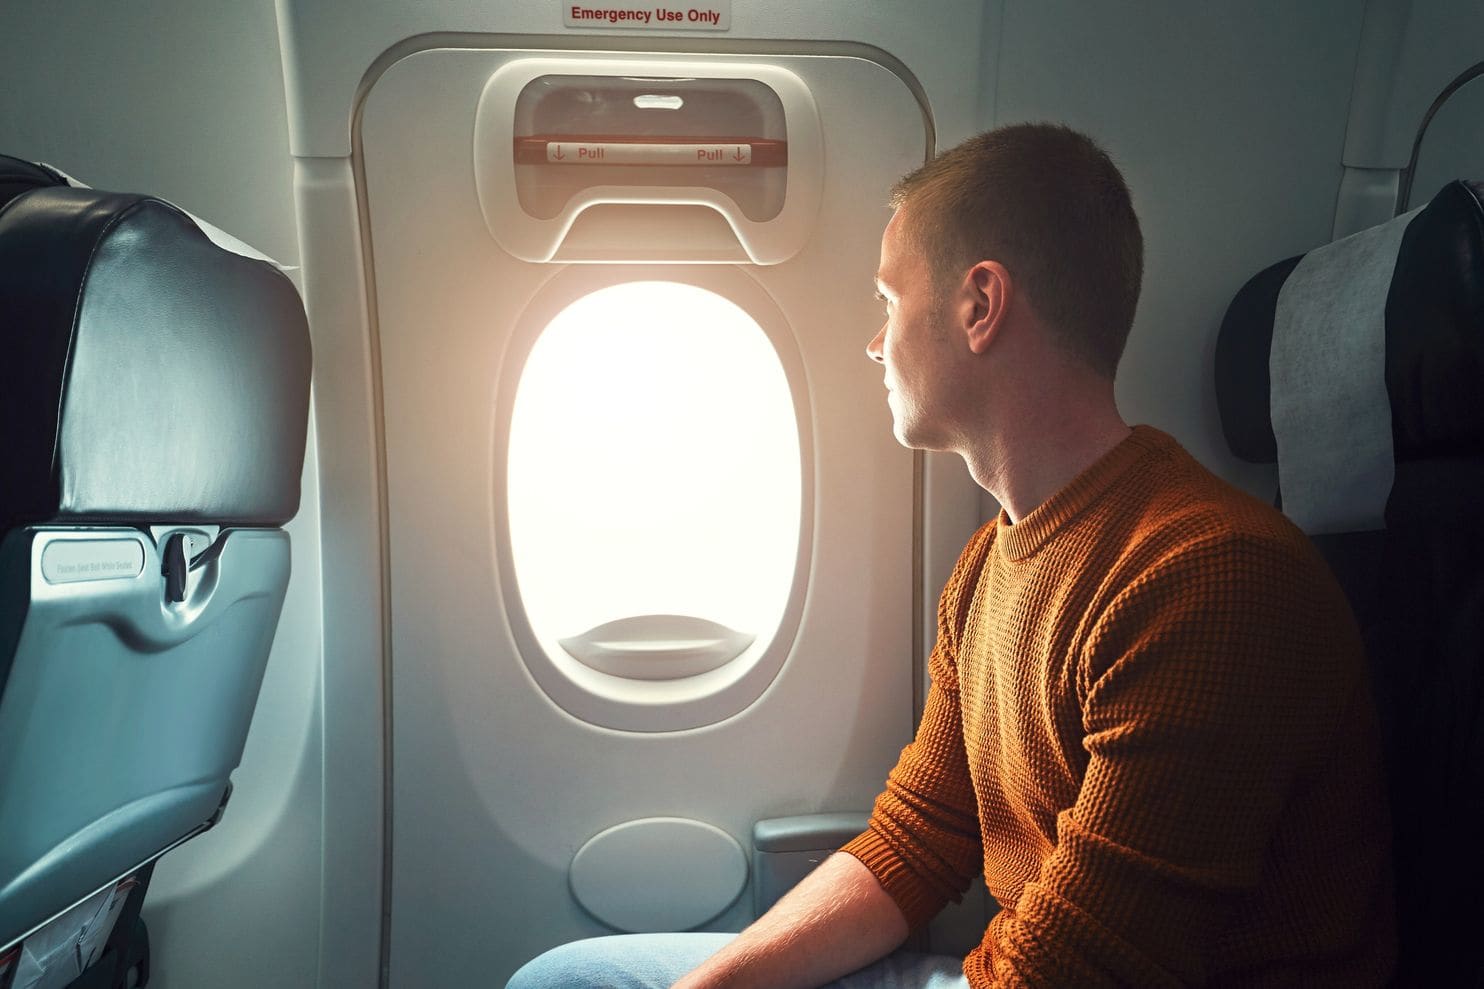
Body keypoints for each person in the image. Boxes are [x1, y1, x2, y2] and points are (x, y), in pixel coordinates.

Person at [507, 122, 1396, 988]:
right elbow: (916, 838)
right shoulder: (988, 567)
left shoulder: (1209, 580)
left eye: (890, 301)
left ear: (979, 306)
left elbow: (1084, 968)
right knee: (574, 975)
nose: (873, 340)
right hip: (1017, 970)